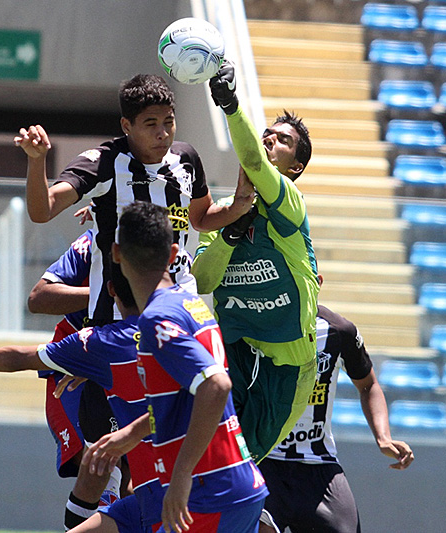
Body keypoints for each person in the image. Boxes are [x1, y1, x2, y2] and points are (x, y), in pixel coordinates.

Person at [0, 260, 165, 532]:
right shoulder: (181, 328)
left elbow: (17, 358)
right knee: (103, 468)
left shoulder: (101, 342)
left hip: (177, 496)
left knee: (106, 467)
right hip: (170, 486)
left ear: (109, 290)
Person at [82, 201, 268, 533]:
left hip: (207, 491)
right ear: (172, 254)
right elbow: (187, 396)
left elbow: (216, 385)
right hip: (236, 484)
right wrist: (132, 433)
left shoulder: (156, 318)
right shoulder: (190, 303)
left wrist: (181, 476)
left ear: (116, 253)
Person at [14, 73, 253, 324]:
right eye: (151, 124)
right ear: (126, 126)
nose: (162, 133)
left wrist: (238, 206)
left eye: (168, 121)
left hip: (182, 307)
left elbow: (202, 218)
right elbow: (43, 211)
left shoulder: (186, 157)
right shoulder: (103, 163)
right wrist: (37, 160)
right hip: (120, 316)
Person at [191, 62, 319, 463]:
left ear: (294, 168)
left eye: (282, 141)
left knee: (241, 465)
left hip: (287, 364)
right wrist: (230, 232)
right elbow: (203, 281)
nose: (269, 139)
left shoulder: (289, 205)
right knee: (205, 457)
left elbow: (256, 162)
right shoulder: (222, 213)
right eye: (267, 133)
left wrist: (230, 105)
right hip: (236, 351)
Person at [258, 300, 415, 533]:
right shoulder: (252, 324)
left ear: (317, 282)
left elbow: (368, 385)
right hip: (263, 461)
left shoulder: (339, 331)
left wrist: (383, 437)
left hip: (318, 463)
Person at [28, 229, 127, 529]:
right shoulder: (94, 239)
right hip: (73, 372)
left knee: (138, 486)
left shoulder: (171, 238)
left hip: (128, 367)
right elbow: (38, 298)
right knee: (102, 472)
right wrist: (102, 293)